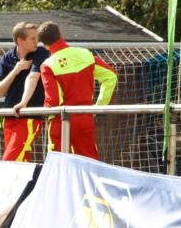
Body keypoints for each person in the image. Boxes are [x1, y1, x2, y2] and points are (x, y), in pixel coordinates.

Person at [15, 22, 117, 160]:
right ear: (61, 35)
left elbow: (53, 101)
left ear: (43, 44)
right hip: (85, 116)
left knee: (59, 163)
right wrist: (98, 107)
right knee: (88, 161)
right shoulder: (85, 54)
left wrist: (45, 112)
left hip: (61, 120)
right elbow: (111, 77)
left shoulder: (48, 65)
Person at [0, 22, 49, 162]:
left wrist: (23, 103)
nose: (37, 41)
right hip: (9, 117)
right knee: (21, 161)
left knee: (10, 161)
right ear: (20, 40)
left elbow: (33, 77)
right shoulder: (7, 58)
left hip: (29, 117)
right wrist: (15, 71)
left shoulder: (41, 53)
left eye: (37, 38)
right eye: (32, 38)